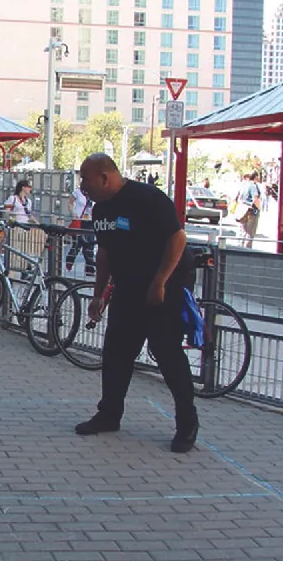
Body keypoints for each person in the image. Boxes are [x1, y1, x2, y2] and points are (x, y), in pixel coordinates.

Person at [73, 153, 198, 454]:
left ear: (104, 177)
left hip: (163, 287)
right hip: (127, 289)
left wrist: (160, 282)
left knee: (168, 355)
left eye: (86, 179)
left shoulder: (147, 198)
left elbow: (178, 239)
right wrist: (99, 293)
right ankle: (109, 414)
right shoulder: (100, 209)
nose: (82, 186)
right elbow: (104, 252)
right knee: (116, 352)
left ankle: (187, 423)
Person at [65, 183, 96, 278]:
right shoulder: (77, 192)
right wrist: (73, 213)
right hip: (79, 220)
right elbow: (70, 203)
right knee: (77, 244)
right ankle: (69, 260)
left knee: (90, 244)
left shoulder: (94, 193)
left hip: (90, 221)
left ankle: (90, 269)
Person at [233, 171, 262, 247]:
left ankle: (238, 248)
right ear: (255, 177)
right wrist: (259, 208)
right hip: (251, 211)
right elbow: (255, 199)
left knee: (242, 230)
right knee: (250, 232)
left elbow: (237, 197)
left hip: (242, 210)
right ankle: (247, 250)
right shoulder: (253, 186)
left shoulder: (244, 184)